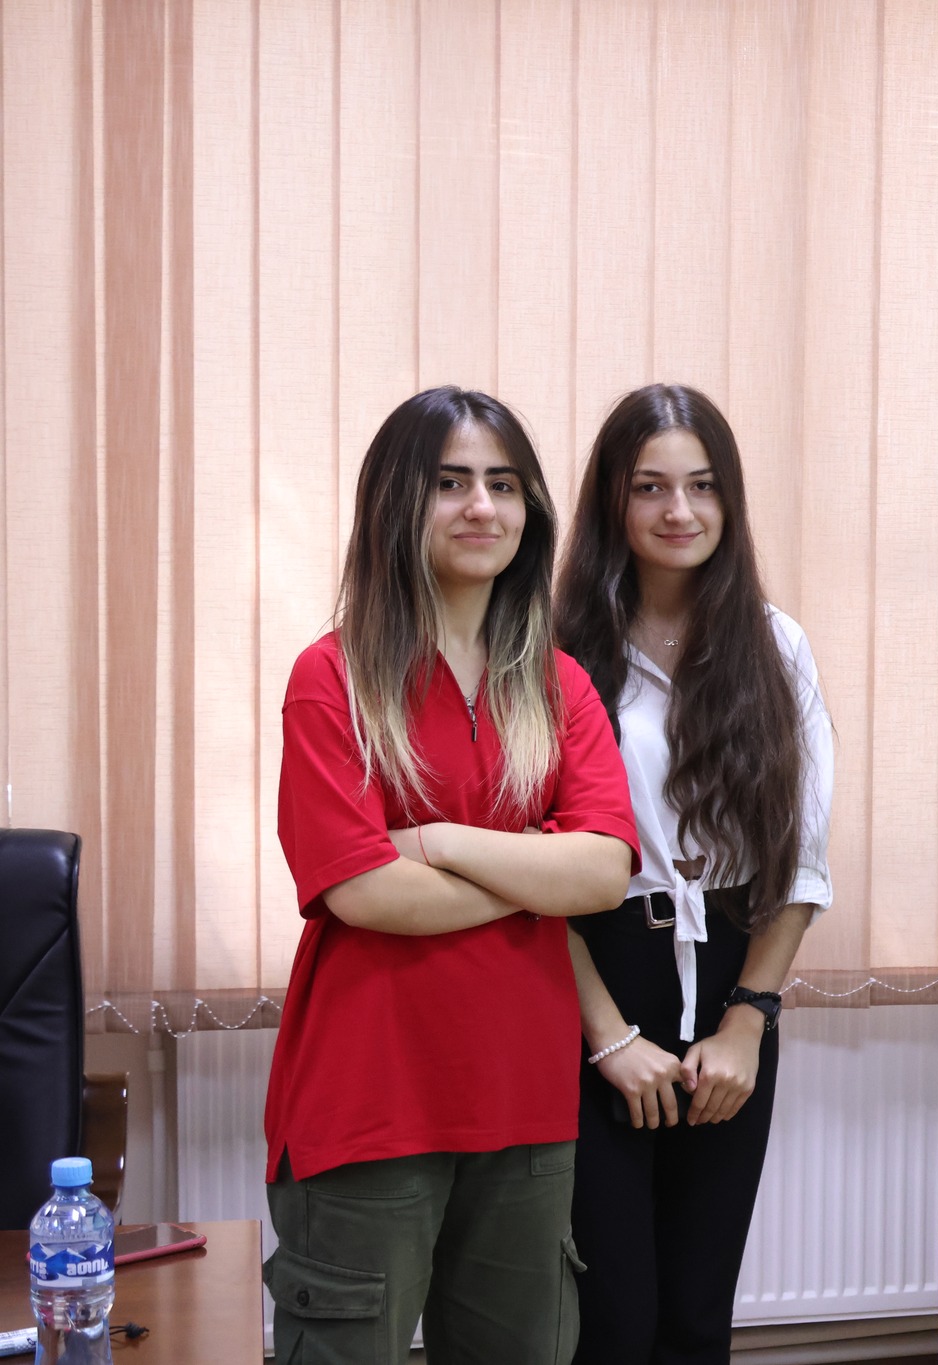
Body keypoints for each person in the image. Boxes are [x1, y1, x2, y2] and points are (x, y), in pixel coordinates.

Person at [263, 386, 641, 1365]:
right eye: (451, 482)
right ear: (397, 501)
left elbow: (603, 873)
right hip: (367, 1108)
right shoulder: (331, 678)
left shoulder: (559, 686)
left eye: (503, 484)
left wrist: (435, 839)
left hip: (525, 1110)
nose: (482, 506)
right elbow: (365, 893)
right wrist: (536, 865)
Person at [554, 383, 834, 1364]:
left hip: (731, 980)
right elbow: (532, 870)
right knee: (612, 1322)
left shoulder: (774, 644)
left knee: (695, 1317)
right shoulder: (553, 651)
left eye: (703, 485)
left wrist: (747, 1020)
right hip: (594, 975)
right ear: (613, 501)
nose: (680, 510)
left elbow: (800, 858)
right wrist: (607, 1038)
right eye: (651, 487)